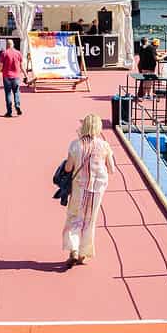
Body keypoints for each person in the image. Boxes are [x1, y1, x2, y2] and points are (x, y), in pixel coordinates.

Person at [61, 113, 115, 268]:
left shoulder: (75, 144)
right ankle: (84, 253)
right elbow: (111, 169)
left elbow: (68, 167)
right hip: (97, 189)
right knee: (90, 220)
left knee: (74, 218)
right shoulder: (104, 145)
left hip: (79, 187)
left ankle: (74, 249)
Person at [0, 40, 26, 117]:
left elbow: (0, 65)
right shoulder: (18, 53)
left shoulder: (4, 53)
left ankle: (9, 111)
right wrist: (26, 75)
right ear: (13, 45)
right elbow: (22, 66)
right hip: (16, 76)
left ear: (7, 45)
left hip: (6, 75)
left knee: (8, 93)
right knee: (16, 92)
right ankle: (17, 105)